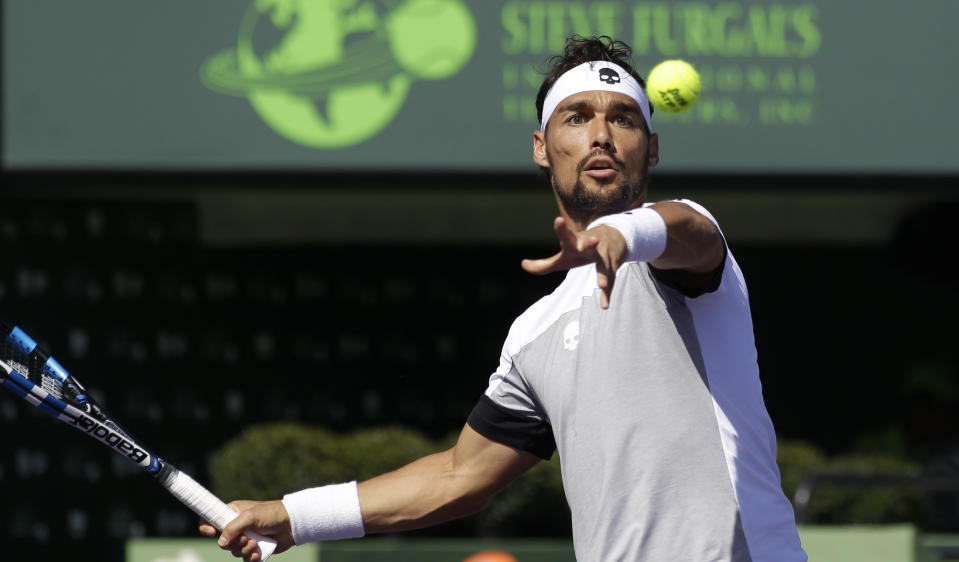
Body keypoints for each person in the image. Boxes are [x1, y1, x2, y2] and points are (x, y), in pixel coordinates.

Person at [199, 35, 807, 561]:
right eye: (577, 117)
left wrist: (620, 233)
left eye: (623, 118)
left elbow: (686, 232)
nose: (600, 134)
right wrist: (292, 517)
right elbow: (457, 475)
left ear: (651, 149)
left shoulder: (683, 249)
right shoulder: (534, 333)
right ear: (542, 147)